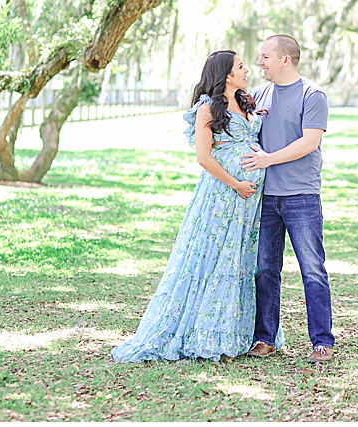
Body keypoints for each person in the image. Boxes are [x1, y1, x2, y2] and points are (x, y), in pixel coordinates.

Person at [111, 50, 283, 363]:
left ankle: (239, 332)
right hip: (223, 196)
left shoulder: (246, 101)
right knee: (214, 258)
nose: (247, 70)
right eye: (241, 66)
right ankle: (206, 331)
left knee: (240, 261)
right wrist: (236, 184)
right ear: (227, 75)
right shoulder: (208, 107)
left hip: (249, 202)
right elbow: (204, 157)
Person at [240, 34, 335, 363]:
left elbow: (309, 142)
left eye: (265, 56)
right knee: (265, 269)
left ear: (285, 59)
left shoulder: (313, 94)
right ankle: (265, 338)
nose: (259, 62)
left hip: (301, 196)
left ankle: (322, 341)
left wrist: (268, 159)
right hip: (266, 198)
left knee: (312, 269)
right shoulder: (261, 93)